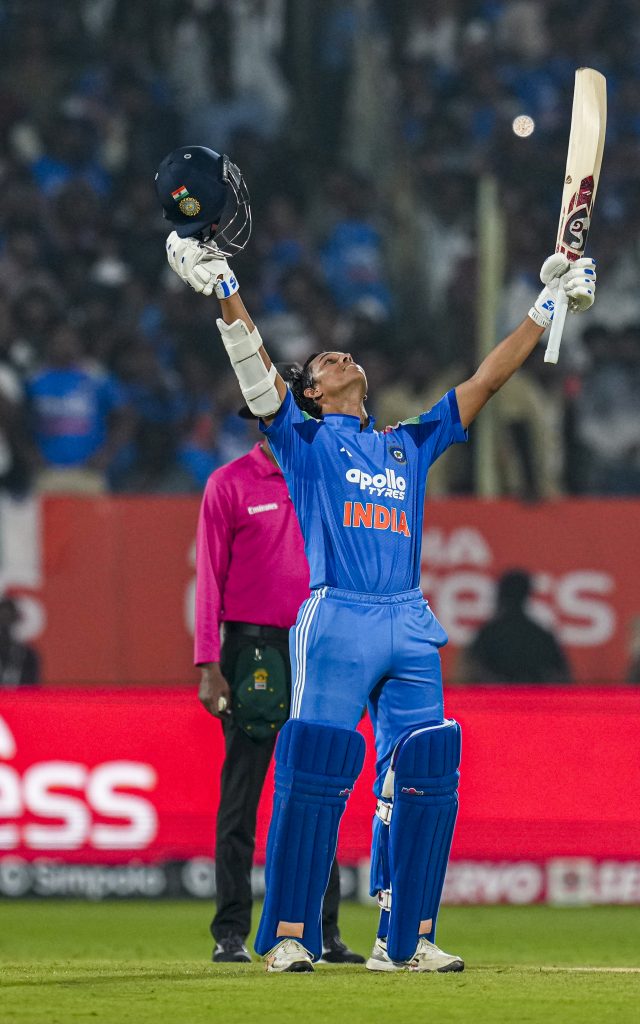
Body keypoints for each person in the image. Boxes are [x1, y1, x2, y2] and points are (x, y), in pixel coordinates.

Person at [157, 145, 597, 973]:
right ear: (313, 394)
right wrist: (223, 290)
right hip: (337, 618)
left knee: (428, 772)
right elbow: (257, 376)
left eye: (342, 356)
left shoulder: (406, 443)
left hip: (407, 620)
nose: (340, 358)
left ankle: (409, 939)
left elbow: (485, 383)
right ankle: (291, 936)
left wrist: (546, 305)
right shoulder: (303, 440)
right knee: (314, 768)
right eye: (324, 362)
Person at [195, 400, 364, 965]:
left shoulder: (327, 478)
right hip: (253, 652)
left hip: (316, 644)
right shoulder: (229, 483)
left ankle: (324, 931)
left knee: (317, 792)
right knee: (242, 795)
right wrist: (208, 664)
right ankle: (230, 932)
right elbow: (209, 579)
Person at [457, 570, 571, 684]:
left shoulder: (486, 635)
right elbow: (562, 678)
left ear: (500, 595)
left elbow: (466, 675)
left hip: (495, 695)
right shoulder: (542, 637)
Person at [0, 596, 40, 688]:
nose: (4, 624)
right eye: (1, 618)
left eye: (8, 617)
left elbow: (33, 688)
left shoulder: (28, 655)